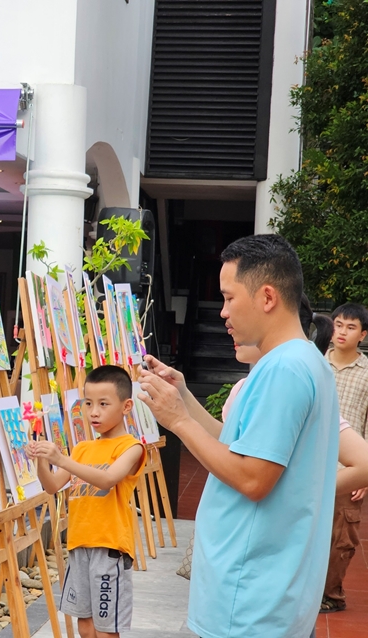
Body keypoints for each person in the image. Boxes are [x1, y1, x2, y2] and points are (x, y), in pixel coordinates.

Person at [139, 234, 339, 638]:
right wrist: (184, 398)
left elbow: (252, 478)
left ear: (267, 297)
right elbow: (238, 446)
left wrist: (179, 421)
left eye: (229, 297)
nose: (223, 312)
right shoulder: (301, 362)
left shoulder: (283, 369)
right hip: (265, 593)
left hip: (249, 601)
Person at [27, 365, 145, 638]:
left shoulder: (132, 447)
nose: (93, 412)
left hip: (109, 547)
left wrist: (61, 459)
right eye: (88, 403)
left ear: (126, 406)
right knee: (86, 627)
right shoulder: (82, 448)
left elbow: (107, 480)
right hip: (79, 544)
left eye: (103, 404)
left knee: (106, 630)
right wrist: (42, 459)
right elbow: (52, 486)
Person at [321, 302, 368, 613]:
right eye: (338, 324)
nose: (342, 332)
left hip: (350, 469)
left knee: (342, 537)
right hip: (312, 463)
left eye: (351, 327)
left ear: (362, 335)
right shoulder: (315, 364)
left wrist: (366, 476)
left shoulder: (367, 374)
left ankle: (331, 595)